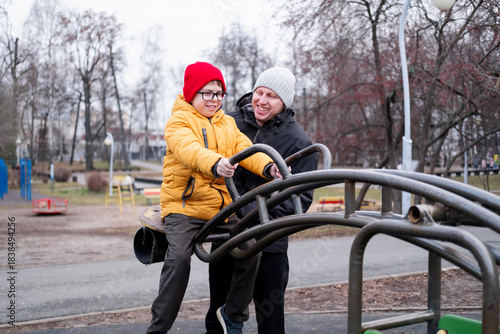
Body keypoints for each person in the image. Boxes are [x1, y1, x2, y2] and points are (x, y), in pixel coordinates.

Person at [147, 61, 282, 334]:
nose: (214, 100)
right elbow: (189, 150)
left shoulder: (227, 123)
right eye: (207, 93)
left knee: (251, 250)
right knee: (179, 261)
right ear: (191, 94)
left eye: (219, 93)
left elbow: (247, 149)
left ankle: (232, 313)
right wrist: (215, 163)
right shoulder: (178, 122)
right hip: (184, 207)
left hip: (220, 209)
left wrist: (268, 167)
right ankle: (158, 328)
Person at [205, 66, 318, 334]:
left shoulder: (299, 142)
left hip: (269, 243)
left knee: (270, 318)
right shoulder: (228, 123)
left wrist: (249, 212)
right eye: (259, 92)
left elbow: (300, 199)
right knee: (219, 312)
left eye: (272, 96)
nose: (262, 101)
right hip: (226, 236)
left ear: (284, 102)